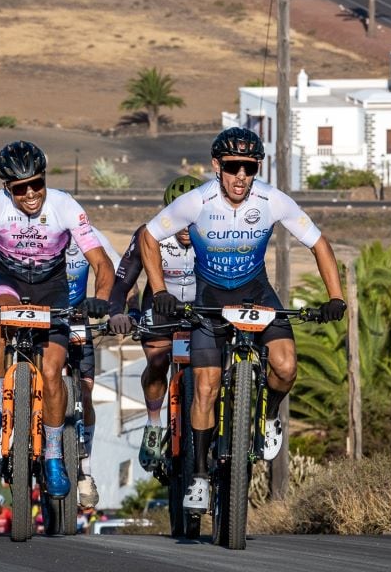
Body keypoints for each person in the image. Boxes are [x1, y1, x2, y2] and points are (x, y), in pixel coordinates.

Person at [138, 128, 346, 512]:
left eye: (248, 168)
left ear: (256, 169)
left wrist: (336, 297)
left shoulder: (272, 200)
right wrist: (160, 290)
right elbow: (147, 239)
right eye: (232, 167)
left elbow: (318, 243)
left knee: (285, 367)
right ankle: (199, 476)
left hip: (256, 293)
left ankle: (267, 418)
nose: (240, 176)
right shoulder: (196, 201)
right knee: (205, 387)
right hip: (211, 299)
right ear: (217, 166)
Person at [0, 141, 114, 499]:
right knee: (1, 319)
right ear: (7, 188)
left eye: (37, 184)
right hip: (8, 280)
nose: (31, 194)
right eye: (20, 188)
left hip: (53, 287)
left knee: (52, 374)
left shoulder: (65, 206)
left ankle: (51, 457)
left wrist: (100, 299)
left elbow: (101, 264)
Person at [107, 175, 201, 472]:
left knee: (212, 371)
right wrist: (116, 313)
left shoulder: (215, 235)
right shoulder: (149, 235)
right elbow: (122, 281)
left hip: (201, 308)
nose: (185, 228)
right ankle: (153, 422)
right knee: (159, 362)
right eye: (179, 218)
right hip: (159, 309)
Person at [62, 228, 120, 508]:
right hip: (42, 319)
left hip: (76, 321)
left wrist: (122, 309)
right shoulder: (32, 233)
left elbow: (120, 273)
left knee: (85, 392)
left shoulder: (89, 235)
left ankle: (85, 468)